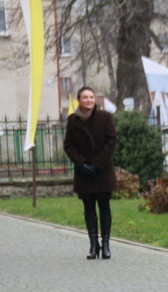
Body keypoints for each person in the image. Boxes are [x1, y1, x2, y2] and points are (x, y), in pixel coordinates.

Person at [64, 86, 117, 259]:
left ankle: (106, 244)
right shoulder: (73, 120)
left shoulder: (105, 117)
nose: (89, 100)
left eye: (91, 97)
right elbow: (68, 145)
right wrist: (81, 164)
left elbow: (111, 142)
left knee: (104, 207)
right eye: (85, 97)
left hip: (102, 171)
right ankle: (94, 245)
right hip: (84, 171)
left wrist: (98, 164)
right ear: (79, 100)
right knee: (88, 208)